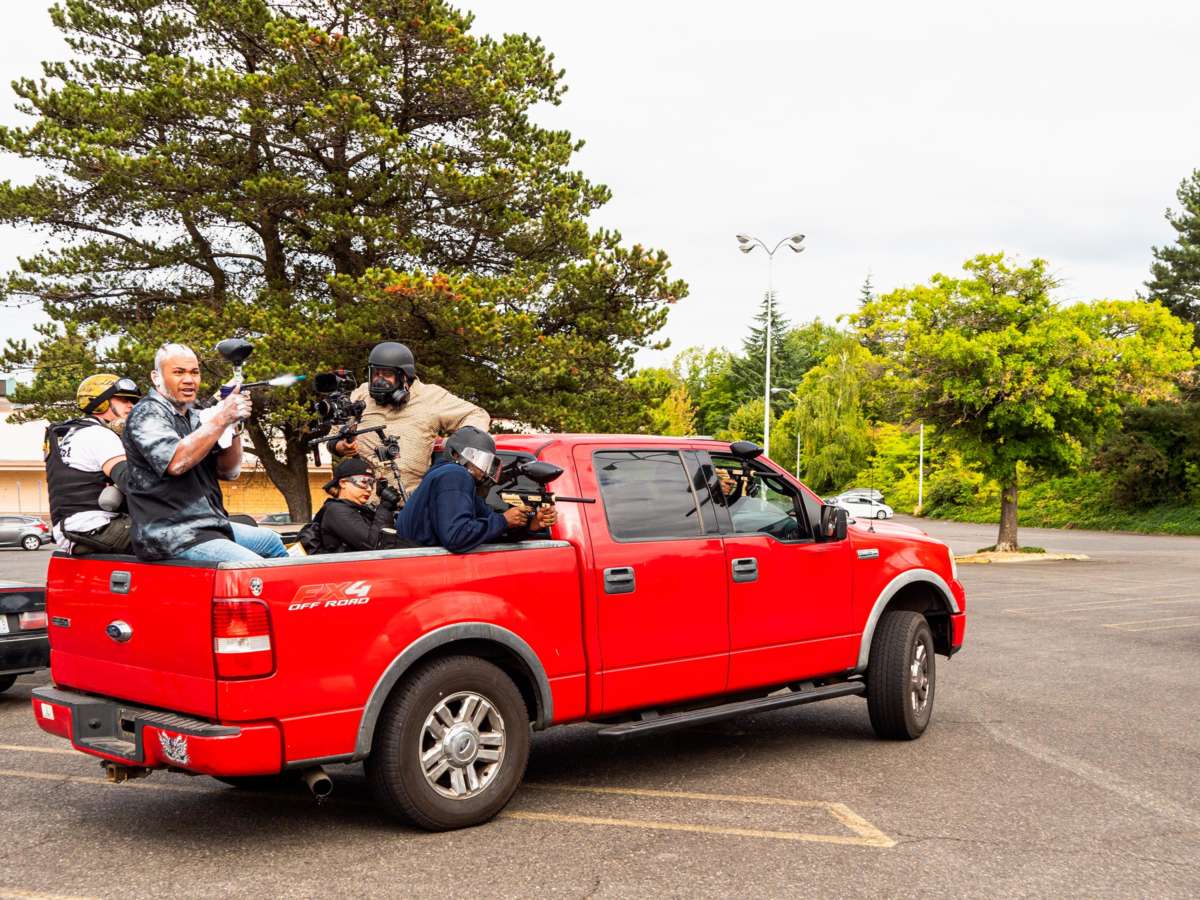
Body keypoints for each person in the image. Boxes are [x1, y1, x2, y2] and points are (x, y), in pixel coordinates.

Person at [121, 343, 287, 563]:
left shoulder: (197, 417)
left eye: (194, 372)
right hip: (171, 534)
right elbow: (176, 462)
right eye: (179, 372)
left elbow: (229, 471)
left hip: (209, 526)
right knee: (252, 567)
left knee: (271, 542)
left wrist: (234, 425)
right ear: (156, 377)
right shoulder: (147, 413)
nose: (189, 380)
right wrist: (222, 418)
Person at [330, 342, 489, 496]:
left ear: (404, 377)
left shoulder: (431, 397)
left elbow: (477, 414)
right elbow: (335, 431)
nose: (379, 380)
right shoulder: (362, 394)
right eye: (376, 373)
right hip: (361, 504)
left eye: (387, 374)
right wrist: (340, 446)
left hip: (405, 505)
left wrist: (459, 452)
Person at [395, 426, 556, 552]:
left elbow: (489, 525)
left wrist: (530, 525)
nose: (483, 470)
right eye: (478, 459)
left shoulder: (444, 475)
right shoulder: (454, 474)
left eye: (488, 463)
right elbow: (456, 536)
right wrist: (503, 520)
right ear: (455, 454)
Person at [44, 374, 143, 554]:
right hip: (97, 526)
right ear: (100, 401)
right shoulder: (98, 434)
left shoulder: (67, 434)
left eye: (133, 401)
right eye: (123, 399)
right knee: (180, 533)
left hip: (70, 530)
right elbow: (133, 483)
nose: (131, 405)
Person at [315, 458, 415, 553]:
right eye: (364, 482)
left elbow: (390, 542)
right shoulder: (335, 511)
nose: (369, 489)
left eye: (371, 483)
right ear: (343, 483)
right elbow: (375, 547)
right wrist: (385, 507)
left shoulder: (361, 510)